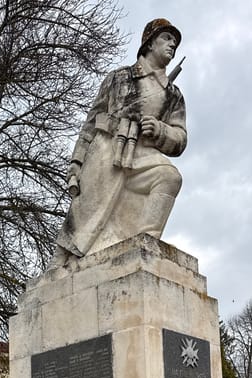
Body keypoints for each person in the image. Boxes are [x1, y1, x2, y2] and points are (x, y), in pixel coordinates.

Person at [54, 19, 186, 262]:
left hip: (142, 154)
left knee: (169, 177)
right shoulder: (119, 78)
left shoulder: (173, 95)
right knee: (83, 221)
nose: (172, 44)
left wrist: (160, 130)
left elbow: (180, 138)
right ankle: (62, 260)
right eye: (166, 38)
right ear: (150, 43)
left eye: (175, 42)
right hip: (107, 151)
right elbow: (91, 123)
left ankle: (145, 245)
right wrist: (76, 162)